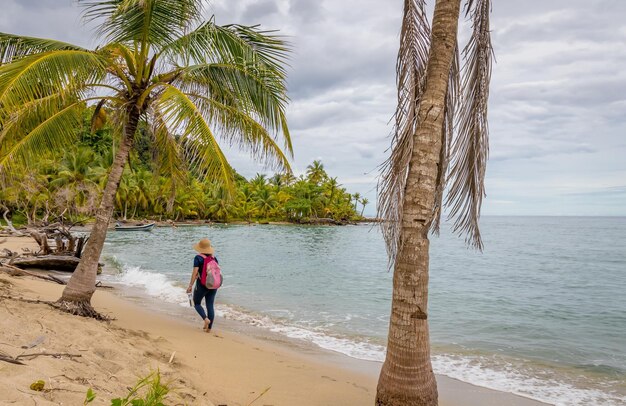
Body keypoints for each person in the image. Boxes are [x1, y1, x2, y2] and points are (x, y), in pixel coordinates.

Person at [187, 238, 218, 333]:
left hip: (202, 284)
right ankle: (209, 329)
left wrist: (190, 285)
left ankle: (205, 319)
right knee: (210, 305)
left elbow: (195, 272)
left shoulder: (198, 258)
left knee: (196, 303)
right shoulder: (214, 258)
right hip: (213, 284)